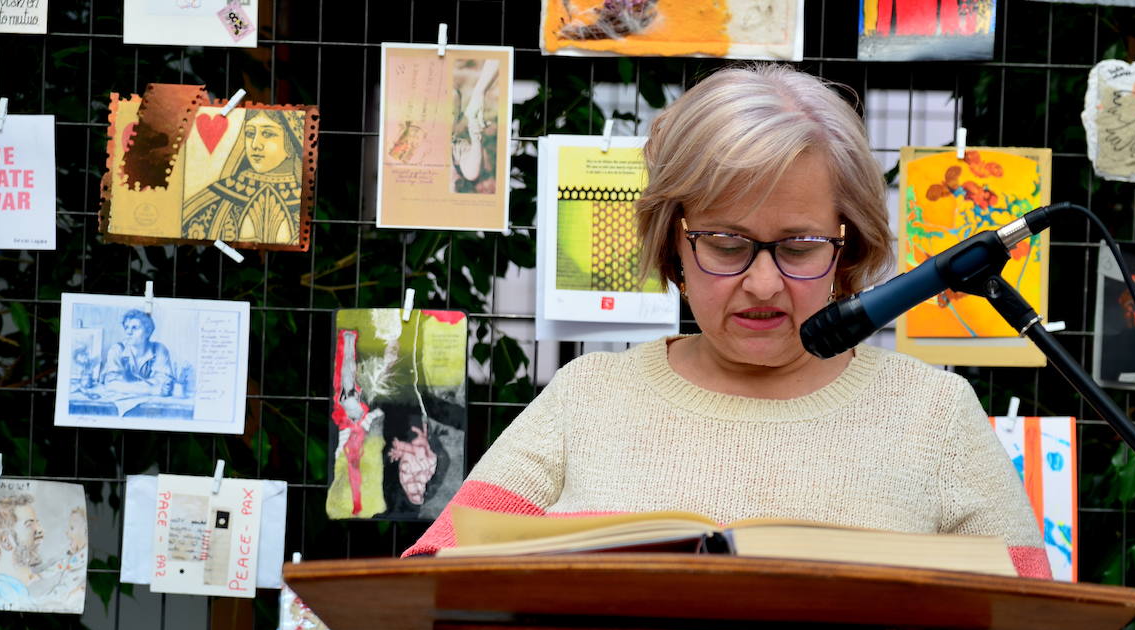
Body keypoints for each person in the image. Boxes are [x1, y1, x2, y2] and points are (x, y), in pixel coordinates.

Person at [403, 65, 1049, 578]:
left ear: (847, 245)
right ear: (673, 243)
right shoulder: (589, 398)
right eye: (727, 243)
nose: (763, 283)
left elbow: (1032, 629)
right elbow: (428, 583)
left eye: (798, 246)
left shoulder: (933, 414)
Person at [182, 109, 307, 245]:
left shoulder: (305, 199)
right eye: (250, 134)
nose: (255, 145)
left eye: (267, 133)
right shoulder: (212, 198)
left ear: (291, 138)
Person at [100, 309, 175, 398]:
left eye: (134, 328)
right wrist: (151, 389)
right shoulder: (117, 350)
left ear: (148, 332)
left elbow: (164, 384)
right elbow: (112, 384)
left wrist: (125, 386)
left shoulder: (159, 350)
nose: (128, 332)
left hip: (151, 403)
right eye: (127, 327)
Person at [0, 493, 43, 604]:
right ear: (6, 541)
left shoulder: (32, 583)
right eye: (29, 525)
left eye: (38, 523)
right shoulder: (2, 593)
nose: (40, 530)